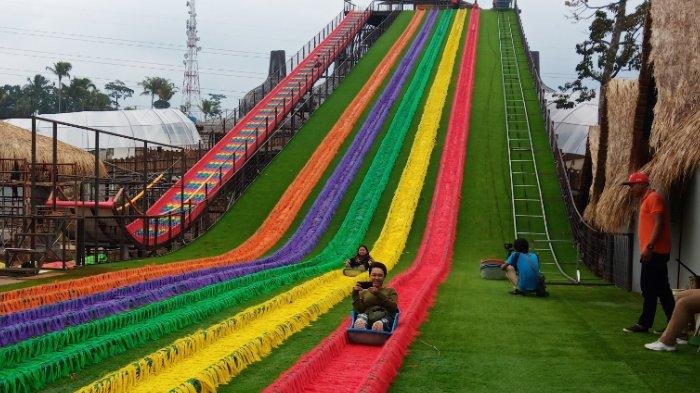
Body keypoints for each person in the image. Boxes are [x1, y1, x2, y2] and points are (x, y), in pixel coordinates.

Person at [621, 172, 675, 333]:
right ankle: (670, 324)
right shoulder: (647, 200)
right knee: (659, 288)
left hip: (654, 252)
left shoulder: (654, 198)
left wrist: (649, 247)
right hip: (653, 252)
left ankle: (647, 323)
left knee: (652, 288)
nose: (631, 189)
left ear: (642, 184)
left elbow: (659, 225)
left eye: (632, 185)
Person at [352, 262, 398, 331]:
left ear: (384, 277)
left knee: (378, 325)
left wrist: (378, 294)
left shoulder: (390, 291)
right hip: (367, 315)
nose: (376, 278)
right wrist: (355, 294)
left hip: (384, 316)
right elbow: (360, 310)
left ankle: (378, 330)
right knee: (359, 323)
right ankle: (362, 331)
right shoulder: (364, 291)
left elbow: (393, 308)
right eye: (373, 275)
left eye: (380, 276)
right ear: (369, 276)